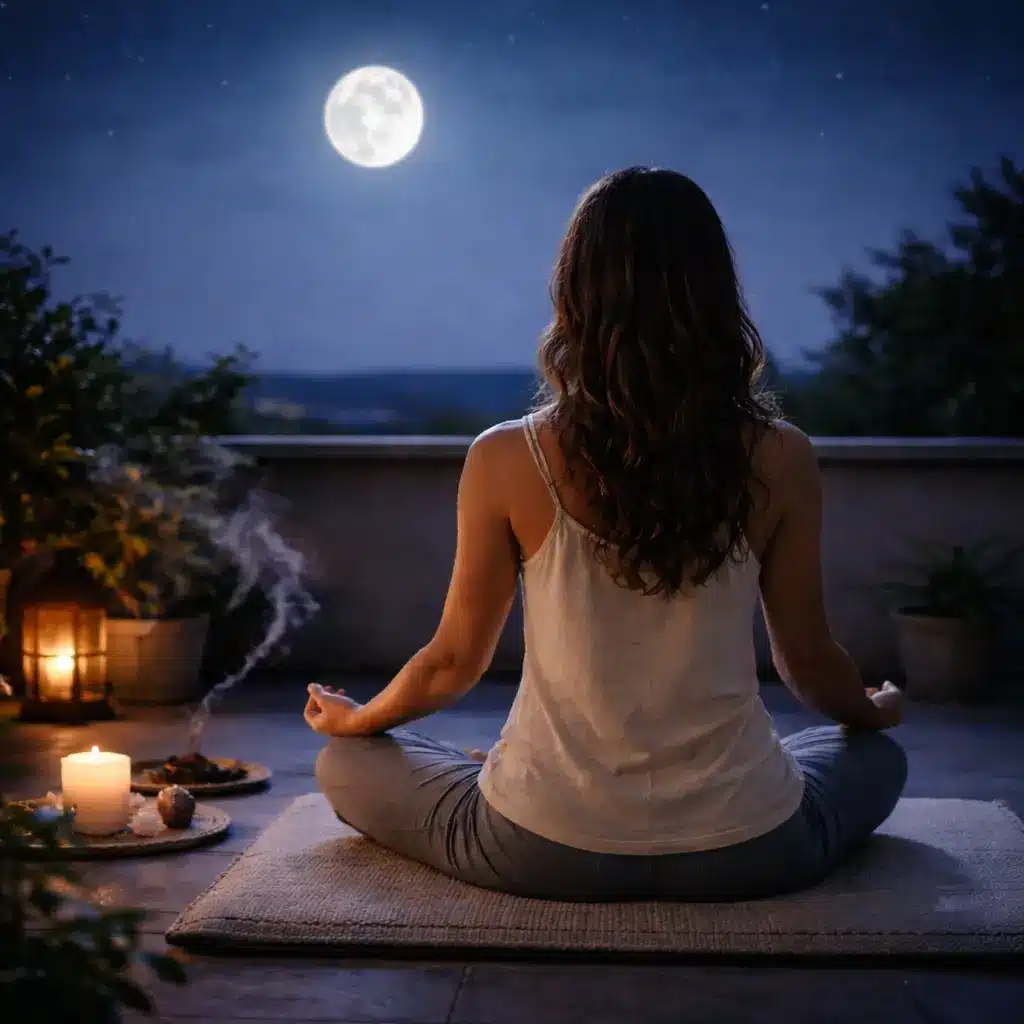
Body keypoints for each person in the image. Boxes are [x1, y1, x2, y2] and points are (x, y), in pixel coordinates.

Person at [306, 167, 908, 902]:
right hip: (751, 846)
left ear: (574, 296)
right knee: (878, 757)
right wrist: (873, 711)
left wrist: (356, 718)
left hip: (539, 847)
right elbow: (808, 661)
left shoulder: (504, 456)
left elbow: (453, 663)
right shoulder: (783, 457)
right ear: (717, 296)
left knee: (344, 763)